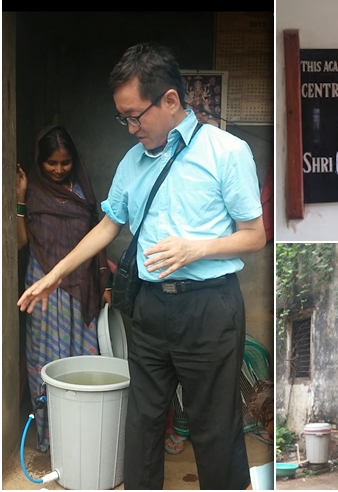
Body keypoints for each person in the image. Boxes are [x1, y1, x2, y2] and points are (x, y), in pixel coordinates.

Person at [17, 42, 266, 490]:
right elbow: (108, 226)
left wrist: (195, 249)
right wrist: (54, 275)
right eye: (123, 117)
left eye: (136, 115)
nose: (130, 127)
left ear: (170, 100)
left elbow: (255, 234)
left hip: (209, 308)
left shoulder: (226, 152)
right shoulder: (133, 162)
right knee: (143, 421)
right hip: (150, 309)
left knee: (214, 426)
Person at [16, 125, 111, 452]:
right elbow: (19, 241)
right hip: (43, 289)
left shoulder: (82, 192)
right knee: (46, 358)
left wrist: (104, 282)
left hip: (81, 287)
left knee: (82, 358)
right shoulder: (34, 192)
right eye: (51, 163)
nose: (58, 169)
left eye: (65, 162)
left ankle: (83, 437)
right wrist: (19, 199)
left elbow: (99, 236)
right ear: (40, 161)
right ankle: (52, 438)